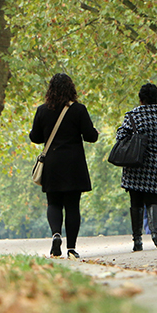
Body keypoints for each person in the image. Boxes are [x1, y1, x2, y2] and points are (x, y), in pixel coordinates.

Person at [30, 73, 99, 258]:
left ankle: (56, 235)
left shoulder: (42, 110)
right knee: (72, 206)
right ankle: (71, 248)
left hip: (52, 163)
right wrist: (95, 132)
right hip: (73, 163)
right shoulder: (79, 110)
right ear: (71, 89)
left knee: (53, 202)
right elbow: (90, 136)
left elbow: (35, 137)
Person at [118, 83, 157, 252]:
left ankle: (137, 239)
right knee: (153, 199)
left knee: (136, 202)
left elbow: (120, 136)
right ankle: (156, 235)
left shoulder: (132, 115)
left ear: (141, 99)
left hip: (135, 165)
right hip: (156, 166)